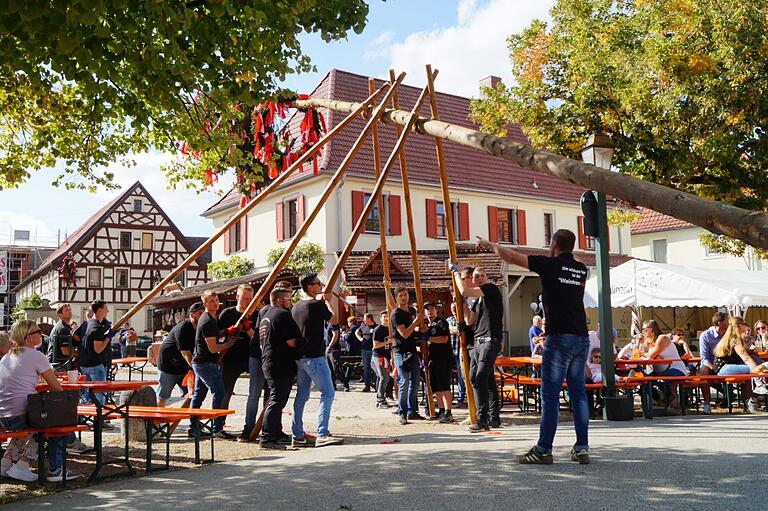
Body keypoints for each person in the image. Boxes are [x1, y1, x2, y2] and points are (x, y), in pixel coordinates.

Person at [479, 229, 590, 465]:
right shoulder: (582, 270)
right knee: (578, 395)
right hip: (581, 338)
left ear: (554, 244)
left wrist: (491, 245)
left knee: (549, 395)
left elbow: (510, 256)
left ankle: (543, 450)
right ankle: (581, 448)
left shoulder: (550, 265)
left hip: (559, 338)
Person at [0, 320, 87, 482]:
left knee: (34, 421)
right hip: (19, 416)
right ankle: (48, 468)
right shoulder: (36, 355)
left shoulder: (8, 356)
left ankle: (5, 463)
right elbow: (55, 387)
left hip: (4, 417)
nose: (41, 333)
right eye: (37, 331)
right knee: (56, 423)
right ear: (28, 338)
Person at [291, 273, 343, 448]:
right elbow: (334, 319)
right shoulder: (316, 304)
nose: (320, 285)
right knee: (328, 393)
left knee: (302, 396)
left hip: (301, 357)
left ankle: (297, 433)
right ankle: (322, 432)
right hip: (315, 356)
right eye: (317, 283)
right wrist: (327, 301)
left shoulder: (296, 306)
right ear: (309, 287)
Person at [454, 266, 502, 432]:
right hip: (477, 340)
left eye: (482, 275)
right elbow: (469, 320)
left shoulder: (491, 289)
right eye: (477, 276)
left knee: (481, 376)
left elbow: (465, 290)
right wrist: (459, 305)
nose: (480, 278)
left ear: (487, 278)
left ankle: (483, 420)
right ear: (473, 280)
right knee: (476, 377)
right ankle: (493, 417)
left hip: (490, 338)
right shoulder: (477, 299)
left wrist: (455, 273)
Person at [190, 290, 236, 439]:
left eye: (216, 300)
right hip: (205, 363)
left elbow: (213, 337)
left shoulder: (211, 318)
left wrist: (225, 332)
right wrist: (230, 343)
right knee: (219, 392)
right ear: (204, 303)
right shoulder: (208, 321)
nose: (215, 303)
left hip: (201, 362)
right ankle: (217, 428)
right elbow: (213, 347)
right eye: (211, 301)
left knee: (199, 395)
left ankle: (194, 427)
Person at [259, 286, 301, 449]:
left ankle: (275, 432)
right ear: (279, 300)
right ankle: (267, 437)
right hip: (280, 363)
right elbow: (291, 341)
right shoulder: (283, 315)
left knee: (275, 399)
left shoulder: (266, 315)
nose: (291, 303)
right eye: (289, 299)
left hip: (269, 361)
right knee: (277, 400)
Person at [217, 284, 257, 436]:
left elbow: (258, 338)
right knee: (225, 392)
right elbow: (217, 335)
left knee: (254, 393)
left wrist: (248, 329)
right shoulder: (227, 313)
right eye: (245, 298)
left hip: (250, 357)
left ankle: (250, 425)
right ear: (237, 297)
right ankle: (219, 425)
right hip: (230, 358)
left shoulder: (256, 314)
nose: (248, 301)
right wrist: (228, 331)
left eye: (250, 299)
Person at [156, 302, 204, 407]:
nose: (203, 316)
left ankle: (180, 420)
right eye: (200, 313)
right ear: (192, 315)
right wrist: (197, 368)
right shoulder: (183, 328)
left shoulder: (202, 328)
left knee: (192, 394)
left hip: (184, 367)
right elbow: (185, 353)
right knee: (163, 396)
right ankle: (157, 422)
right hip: (168, 365)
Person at [391, 286, 425, 425]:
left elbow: (412, 331)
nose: (404, 297)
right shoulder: (396, 314)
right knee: (404, 381)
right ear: (396, 298)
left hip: (412, 349)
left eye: (405, 294)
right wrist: (417, 321)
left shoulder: (411, 310)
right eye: (401, 295)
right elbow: (404, 333)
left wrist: (420, 328)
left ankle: (412, 411)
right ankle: (402, 412)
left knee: (415, 381)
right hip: (400, 350)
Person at [712, 316, 762, 412]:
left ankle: (751, 400)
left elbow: (746, 352)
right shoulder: (736, 339)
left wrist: (753, 351)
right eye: (743, 324)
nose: (746, 326)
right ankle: (760, 384)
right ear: (739, 326)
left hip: (725, 367)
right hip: (723, 368)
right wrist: (759, 371)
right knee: (752, 368)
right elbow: (746, 357)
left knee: (755, 360)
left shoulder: (733, 337)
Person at [642, 320, 687, 406]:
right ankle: (660, 401)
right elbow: (649, 355)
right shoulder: (649, 341)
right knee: (644, 382)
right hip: (661, 371)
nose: (642, 332)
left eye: (644, 329)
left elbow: (650, 355)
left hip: (676, 369)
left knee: (661, 378)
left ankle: (670, 397)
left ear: (651, 329)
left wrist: (644, 354)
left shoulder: (662, 338)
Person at [424, 302, 454, 423]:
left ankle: (448, 412)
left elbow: (444, 339)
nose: (430, 311)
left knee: (445, 386)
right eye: (427, 309)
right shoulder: (426, 325)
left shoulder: (441, 322)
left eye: (432, 309)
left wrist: (428, 338)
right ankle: (441, 410)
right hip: (432, 359)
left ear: (436, 310)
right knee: (436, 387)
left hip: (443, 358)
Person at [79, 300, 112, 406]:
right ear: (100, 310)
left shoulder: (86, 323)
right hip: (95, 364)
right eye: (106, 309)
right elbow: (98, 349)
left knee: (86, 395)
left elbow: (75, 335)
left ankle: (83, 418)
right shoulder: (97, 327)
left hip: (84, 363)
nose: (108, 311)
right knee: (100, 394)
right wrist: (108, 337)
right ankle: (99, 420)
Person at [699, 312, 729, 414]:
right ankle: (707, 404)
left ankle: (748, 402)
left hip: (726, 363)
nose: (729, 322)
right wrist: (714, 368)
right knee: (703, 370)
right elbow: (705, 358)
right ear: (720, 323)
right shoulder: (706, 335)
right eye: (727, 320)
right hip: (712, 365)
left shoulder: (729, 334)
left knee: (745, 368)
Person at [372, 310, 393, 408]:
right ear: (381, 318)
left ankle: (384, 397)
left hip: (387, 356)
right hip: (378, 356)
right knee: (383, 377)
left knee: (387, 378)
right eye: (384, 316)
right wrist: (387, 342)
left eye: (387, 316)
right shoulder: (378, 329)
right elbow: (375, 345)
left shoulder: (391, 329)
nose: (386, 318)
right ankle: (380, 400)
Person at [446, 302, 466, 406]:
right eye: (452, 308)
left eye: (455, 308)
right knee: (446, 376)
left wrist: (455, 330)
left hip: (460, 353)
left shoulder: (463, 319)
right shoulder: (448, 320)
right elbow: (447, 329)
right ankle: (448, 399)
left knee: (461, 376)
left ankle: (460, 398)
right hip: (449, 352)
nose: (453, 310)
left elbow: (463, 331)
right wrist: (456, 330)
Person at [356, 313, 377, 392]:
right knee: (366, 368)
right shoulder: (363, 326)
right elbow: (356, 332)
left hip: (373, 350)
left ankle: (376, 385)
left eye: (365, 318)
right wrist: (360, 339)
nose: (363, 320)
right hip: (364, 350)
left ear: (369, 318)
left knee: (375, 368)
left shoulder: (375, 327)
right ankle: (367, 385)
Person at [326, 321, 348, 391]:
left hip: (334, 350)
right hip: (329, 350)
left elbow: (335, 335)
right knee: (330, 369)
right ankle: (332, 385)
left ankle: (345, 385)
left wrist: (329, 346)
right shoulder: (329, 324)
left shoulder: (333, 324)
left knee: (337, 368)